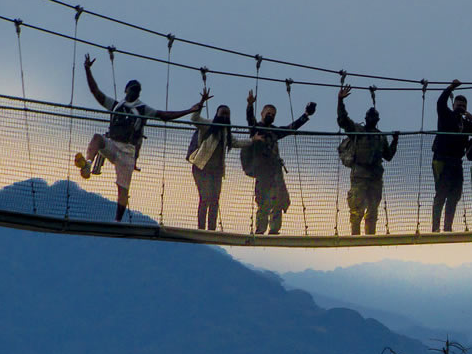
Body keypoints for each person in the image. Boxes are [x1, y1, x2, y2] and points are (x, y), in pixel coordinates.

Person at [75, 54, 207, 222]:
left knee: (122, 189)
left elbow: (165, 115)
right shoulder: (116, 105)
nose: (134, 91)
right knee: (97, 138)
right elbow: (96, 92)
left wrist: (190, 110)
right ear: (126, 90)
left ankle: (117, 221)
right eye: (132, 88)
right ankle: (88, 163)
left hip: (128, 152)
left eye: (137, 89)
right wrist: (87, 70)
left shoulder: (143, 109)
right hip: (113, 144)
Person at [244, 89, 316, 235]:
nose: (270, 115)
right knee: (263, 203)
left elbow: (291, 128)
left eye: (273, 114)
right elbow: (250, 120)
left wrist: (306, 115)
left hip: (276, 173)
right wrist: (250, 105)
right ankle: (260, 230)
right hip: (262, 173)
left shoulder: (275, 132)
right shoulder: (256, 129)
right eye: (268, 113)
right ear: (262, 114)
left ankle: (274, 230)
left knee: (277, 201)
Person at [336, 85, 399, 235]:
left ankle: (370, 237)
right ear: (366, 118)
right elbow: (343, 120)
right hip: (359, 176)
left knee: (372, 211)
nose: (371, 119)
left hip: (375, 178)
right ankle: (355, 237)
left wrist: (395, 140)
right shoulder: (358, 131)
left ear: (377, 120)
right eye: (369, 117)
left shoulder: (380, 136)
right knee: (356, 210)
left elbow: (388, 156)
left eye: (374, 117)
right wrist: (340, 101)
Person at [185, 97, 251, 231]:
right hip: (201, 167)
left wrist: (253, 141)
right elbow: (194, 119)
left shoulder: (225, 132)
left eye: (227, 114)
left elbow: (236, 143)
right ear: (217, 114)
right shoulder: (208, 125)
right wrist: (202, 102)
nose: (225, 116)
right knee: (205, 198)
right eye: (223, 113)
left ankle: (212, 229)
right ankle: (201, 228)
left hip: (216, 171)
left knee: (214, 200)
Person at [429, 79, 472, 232]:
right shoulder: (445, 115)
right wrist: (451, 87)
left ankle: (447, 227)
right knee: (441, 194)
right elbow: (440, 102)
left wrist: (471, 116)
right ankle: (435, 228)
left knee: (454, 196)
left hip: (456, 162)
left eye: (463, 106)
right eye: (458, 105)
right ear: (453, 105)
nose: (460, 108)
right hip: (441, 159)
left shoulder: (466, 123)